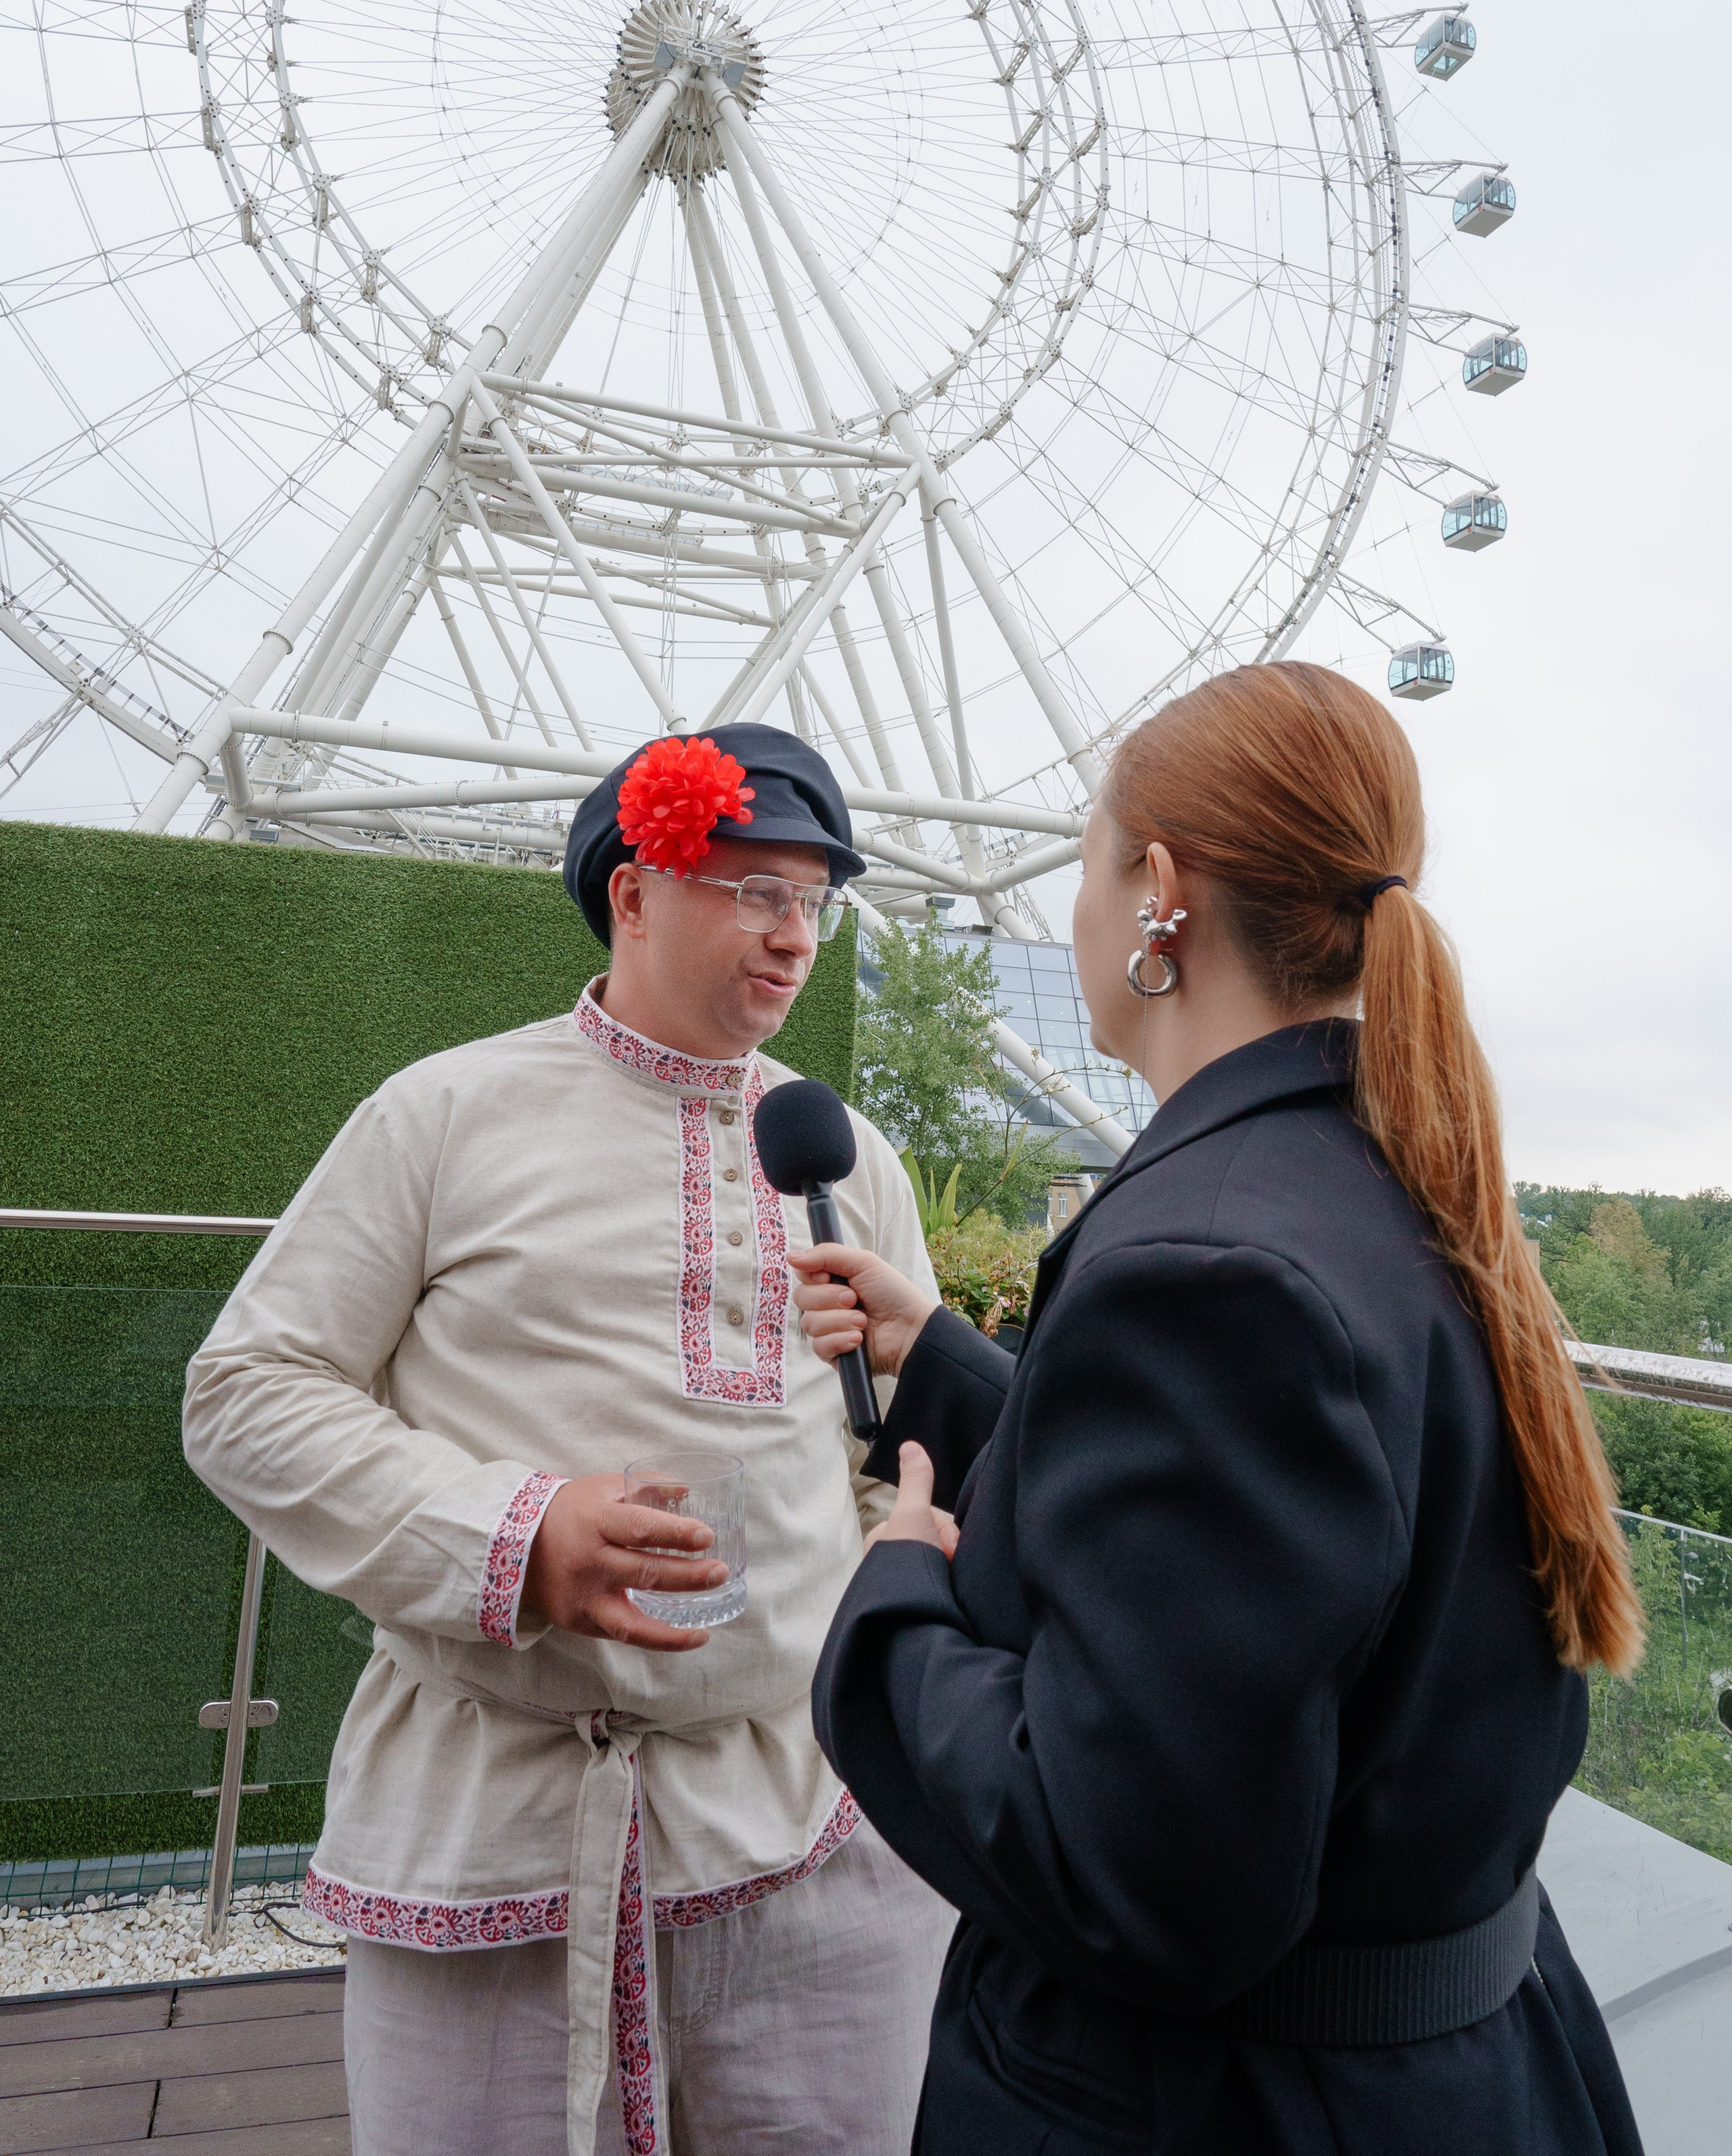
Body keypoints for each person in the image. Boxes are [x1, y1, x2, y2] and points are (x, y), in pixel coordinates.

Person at [796, 664, 1645, 2156]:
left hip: (1224, 2107)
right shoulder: (1390, 1185)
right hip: (1457, 2074)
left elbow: (1129, 1878)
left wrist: (893, 1608)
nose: (1073, 916)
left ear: (1160, 894)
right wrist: (946, 1363)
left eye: (1084, 868)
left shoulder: (1203, 1268)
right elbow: (1283, 1550)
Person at [183, 724, 953, 2156]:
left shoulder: (850, 1157)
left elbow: (886, 1457)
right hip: (497, 1832)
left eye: (814, 900)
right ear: (634, 893)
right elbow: (250, 1389)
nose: (794, 936)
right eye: (756, 889)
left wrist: (884, 1621)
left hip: (816, 1839)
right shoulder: (442, 1114)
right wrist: (516, 1534)